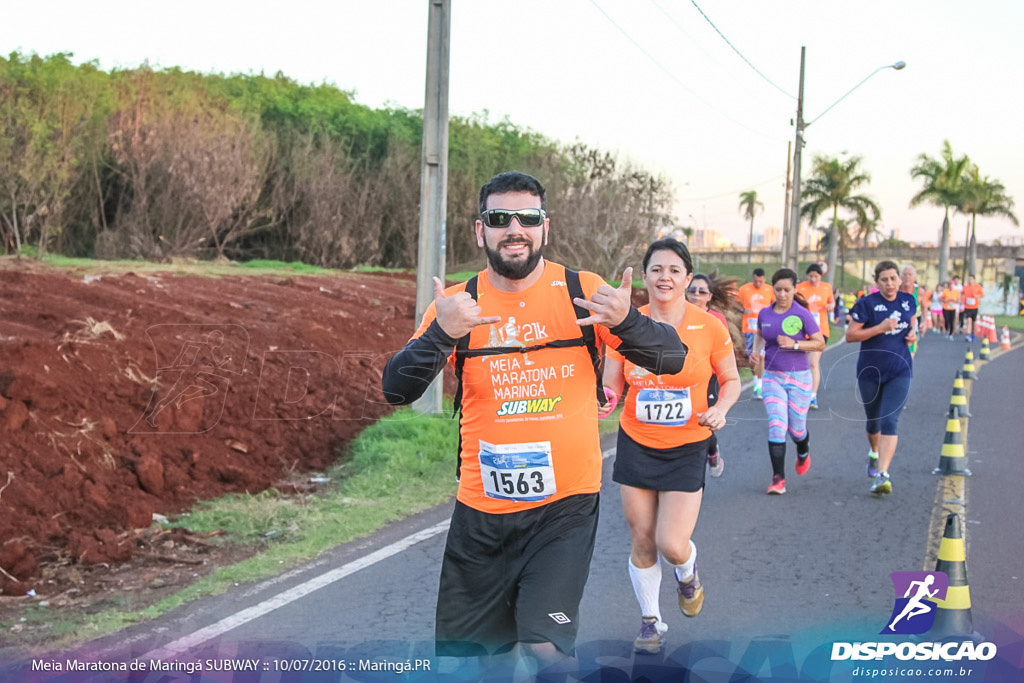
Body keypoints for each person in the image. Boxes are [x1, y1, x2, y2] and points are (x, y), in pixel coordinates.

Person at [380, 171, 686, 675]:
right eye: (500, 219)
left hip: (562, 510)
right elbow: (397, 388)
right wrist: (442, 330)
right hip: (481, 513)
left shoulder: (581, 291)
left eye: (527, 218)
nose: (514, 229)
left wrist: (627, 323)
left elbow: (671, 358)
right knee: (476, 663)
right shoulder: (458, 305)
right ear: (481, 231)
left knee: (546, 648)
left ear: (546, 227)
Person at [602, 240, 739, 654]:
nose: (665, 277)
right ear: (645, 276)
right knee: (642, 537)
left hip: (687, 444)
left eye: (674, 270)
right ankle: (650, 621)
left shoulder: (709, 326)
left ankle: (687, 571)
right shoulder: (624, 326)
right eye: (657, 269)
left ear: (687, 277)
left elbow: (731, 380)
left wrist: (722, 408)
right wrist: (603, 400)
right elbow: (612, 385)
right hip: (637, 442)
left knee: (671, 543)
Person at [750, 268, 825, 494]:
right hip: (773, 377)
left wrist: (794, 344)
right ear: (772, 289)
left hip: (800, 377)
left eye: (787, 290)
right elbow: (760, 335)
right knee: (776, 426)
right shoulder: (764, 314)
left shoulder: (802, 314)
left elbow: (819, 343)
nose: (782, 294)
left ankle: (803, 450)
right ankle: (778, 479)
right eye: (778, 289)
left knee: (796, 429)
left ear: (794, 290)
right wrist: (755, 353)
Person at [845, 260, 917, 495]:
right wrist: (880, 328)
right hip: (870, 371)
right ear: (876, 282)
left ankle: (882, 474)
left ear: (900, 279)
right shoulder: (867, 304)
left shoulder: (908, 300)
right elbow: (851, 335)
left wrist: (913, 331)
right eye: (884, 279)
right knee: (873, 422)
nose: (890, 283)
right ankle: (874, 452)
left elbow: (911, 319)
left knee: (889, 420)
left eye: (893, 278)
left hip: (900, 369)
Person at [795, 263, 835, 409]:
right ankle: (801, 391)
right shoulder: (800, 288)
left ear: (820, 276)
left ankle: (812, 396)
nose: (813, 279)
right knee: (802, 362)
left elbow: (832, 302)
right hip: (802, 330)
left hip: (820, 331)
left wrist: (831, 306)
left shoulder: (826, 288)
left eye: (816, 276)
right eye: (810, 276)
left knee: (813, 362)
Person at [737, 268, 775, 399]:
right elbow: (734, 304)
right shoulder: (744, 289)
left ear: (764, 279)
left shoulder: (770, 290)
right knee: (752, 357)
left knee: (762, 357)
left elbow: (775, 305)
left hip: (764, 328)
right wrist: (743, 309)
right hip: (749, 328)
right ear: (752, 278)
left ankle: (759, 386)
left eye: (760, 281)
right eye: (755, 281)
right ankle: (756, 381)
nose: (758, 283)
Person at [899, 265, 921, 357]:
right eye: (905, 274)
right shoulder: (895, 290)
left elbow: (924, 306)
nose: (907, 277)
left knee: (909, 357)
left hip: (913, 325)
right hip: (897, 325)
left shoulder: (919, 291)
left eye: (910, 274)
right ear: (901, 276)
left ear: (914, 277)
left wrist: (923, 322)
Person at [961, 274, 985, 342]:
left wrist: (977, 296)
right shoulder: (965, 287)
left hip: (975, 307)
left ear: (974, 280)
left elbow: (983, 295)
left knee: (974, 322)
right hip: (967, 306)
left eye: (971, 279)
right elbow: (962, 294)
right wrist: (962, 301)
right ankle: (968, 335)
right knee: (968, 320)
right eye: (969, 279)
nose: (970, 280)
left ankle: (973, 334)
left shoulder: (978, 287)